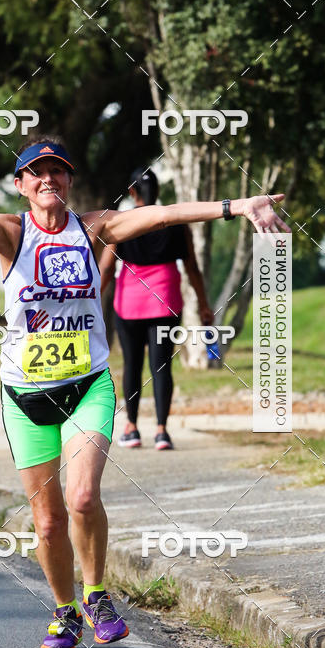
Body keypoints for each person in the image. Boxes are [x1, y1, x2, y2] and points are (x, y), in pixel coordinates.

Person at [0, 136, 290, 648]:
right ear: (21, 185)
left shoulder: (93, 227)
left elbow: (164, 215)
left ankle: (96, 594)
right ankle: (64, 611)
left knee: (81, 496)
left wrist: (238, 206)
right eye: (36, 172)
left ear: (69, 181)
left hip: (87, 387)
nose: (47, 179)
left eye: (57, 171)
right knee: (48, 520)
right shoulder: (11, 232)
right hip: (25, 396)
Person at [100, 168, 213, 451]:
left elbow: (105, 268)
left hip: (129, 304)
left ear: (132, 192)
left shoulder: (122, 223)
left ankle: (132, 428)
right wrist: (204, 304)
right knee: (162, 366)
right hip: (165, 300)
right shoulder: (175, 223)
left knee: (132, 366)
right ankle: (162, 432)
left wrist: (89, 301)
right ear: (158, 192)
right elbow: (193, 269)